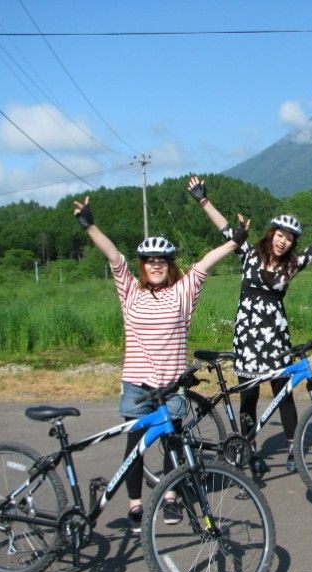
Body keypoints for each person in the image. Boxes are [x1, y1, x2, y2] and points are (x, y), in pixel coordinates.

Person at [72, 195, 247, 532]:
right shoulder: (130, 292)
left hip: (172, 385)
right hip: (137, 385)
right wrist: (90, 226)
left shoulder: (184, 291)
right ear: (143, 265)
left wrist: (234, 240)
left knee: (173, 443)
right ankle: (135, 504)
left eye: (162, 261)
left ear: (170, 265)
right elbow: (113, 256)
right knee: (135, 446)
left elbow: (205, 263)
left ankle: (170, 497)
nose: (155, 265)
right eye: (150, 260)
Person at [187, 175, 312, 475]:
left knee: (283, 393)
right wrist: (203, 200)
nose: (283, 240)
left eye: (289, 238)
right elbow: (225, 229)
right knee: (248, 395)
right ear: (271, 233)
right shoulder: (249, 255)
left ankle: (293, 448)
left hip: (276, 336)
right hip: (247, 337)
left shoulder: (293, 265)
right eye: (280, 234)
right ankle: (247, 450)